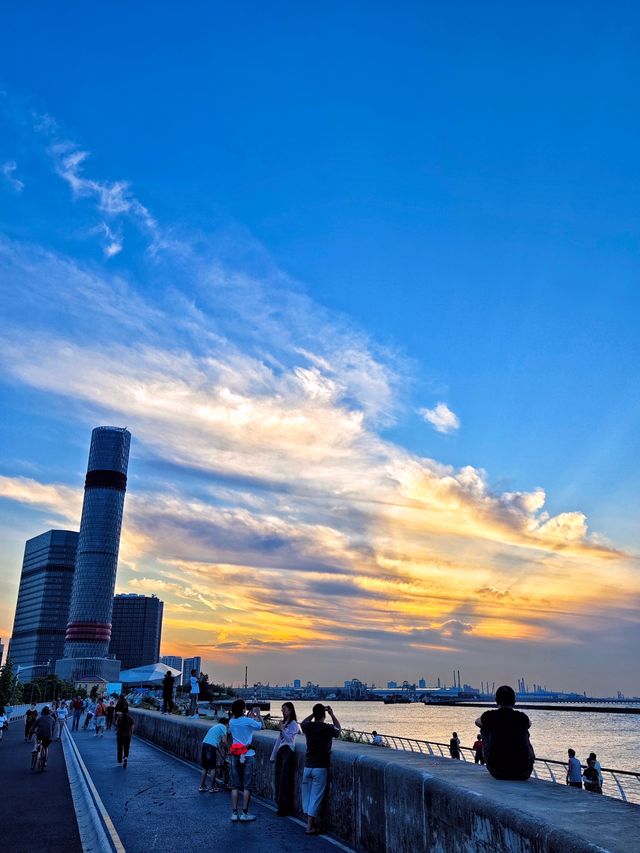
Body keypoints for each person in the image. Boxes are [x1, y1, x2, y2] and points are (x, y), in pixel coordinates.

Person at [475, 685, 535, 781]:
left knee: (485, 728)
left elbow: (477, 722)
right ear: (514, 701)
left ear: (496, 701)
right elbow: (529, 724)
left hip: (498, 771)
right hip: (524, 772)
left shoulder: (490, 716)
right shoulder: (521, 717)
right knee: (524, 729)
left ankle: (496, 759)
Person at [300, 704, 341, 836]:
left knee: (307, 795)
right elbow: (338, 730)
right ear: (323, 715)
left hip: (308, 766)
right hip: (320, 767)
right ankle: (309, 826)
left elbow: (303, 722)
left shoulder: (308, 726)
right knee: (316, 797)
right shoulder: (327, 728)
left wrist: (314, 713)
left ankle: (310, 822)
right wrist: (332, 714)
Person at [228, 699, 263, 822]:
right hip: (248, 754)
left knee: (235, 786)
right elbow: (261, 726)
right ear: (243, 709)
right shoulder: (248, 721)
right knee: (247, 786)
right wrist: (258, 715)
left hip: (235, 754)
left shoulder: (231, 721)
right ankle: (244, 813)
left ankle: (234, 813)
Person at [270, 702, 301, 816]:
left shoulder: (293, 724)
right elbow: (279, 740)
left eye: (285, 709)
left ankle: (285, 808)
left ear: (291, 710)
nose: (282, 711)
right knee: (278, 778)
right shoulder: (284, 723)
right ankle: (280, 806)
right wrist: (273, 755)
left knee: (284, 779)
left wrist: (282, 729)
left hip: (288, 751)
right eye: (282, 709)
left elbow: (289, 740)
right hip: (281, 751)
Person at [199, 716, 229, 792]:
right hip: (210, 747)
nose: (228, 728)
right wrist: (229, 749)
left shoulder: (215, 727)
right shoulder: (223, 727)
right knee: (213, 768)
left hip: (205, 745)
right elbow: (224, 741)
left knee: (205, 767)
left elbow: (217, 745)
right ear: (226, 723)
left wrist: (222, 756)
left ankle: (202, 786)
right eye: (228, 726)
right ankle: (212, 787)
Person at [115, 702, 135, 767]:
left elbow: (116, 724)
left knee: (120, 748)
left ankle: (119, 762)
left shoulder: (119, 717)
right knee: (126, 747)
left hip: (120, 734)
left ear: (122, 712)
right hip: (128, 735)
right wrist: (131, 732)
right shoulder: (130, 718)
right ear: (128, 712)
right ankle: (125, 757)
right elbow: (132, 726)